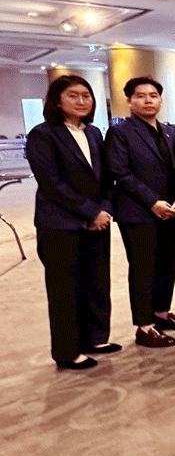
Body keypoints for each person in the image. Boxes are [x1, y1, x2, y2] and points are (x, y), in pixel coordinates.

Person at [27, 75, 118, 370]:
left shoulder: (93, 133)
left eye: (86, 96)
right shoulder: (43, 135)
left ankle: (95, 338)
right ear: (57, 101)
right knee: (65, 289)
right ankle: (67, 351)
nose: (81, 101)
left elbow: (106, 179)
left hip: (97, 221)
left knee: (97, 282)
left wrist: (104, 210)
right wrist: (90, 212)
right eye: (73, 96)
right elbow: (51, 184)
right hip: (60, 224)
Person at [106, 76, 175, 348]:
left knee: (168, 264)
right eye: (141, 96)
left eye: (153, 95)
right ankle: (144, 327)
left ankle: (162, 313)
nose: (148, 101)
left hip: (170, 210)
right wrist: (153, 201)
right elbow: (120, 173)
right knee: (144, 269)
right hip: (138, 212)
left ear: (160, 100)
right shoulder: (121, 133)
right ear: (130, 101)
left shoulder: (170, 132)